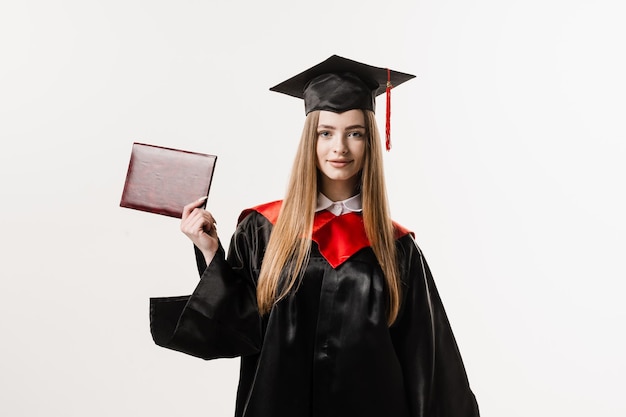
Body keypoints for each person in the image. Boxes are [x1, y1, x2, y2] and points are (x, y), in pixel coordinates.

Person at [149, 55, 480, 417]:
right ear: (311, 139)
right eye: (326, 133)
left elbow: (427, 363)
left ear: (370, 142)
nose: (340, 147)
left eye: (355, 133)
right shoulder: (263, 229)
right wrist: (210, 250)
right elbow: (236, 327)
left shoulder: (396, 248)